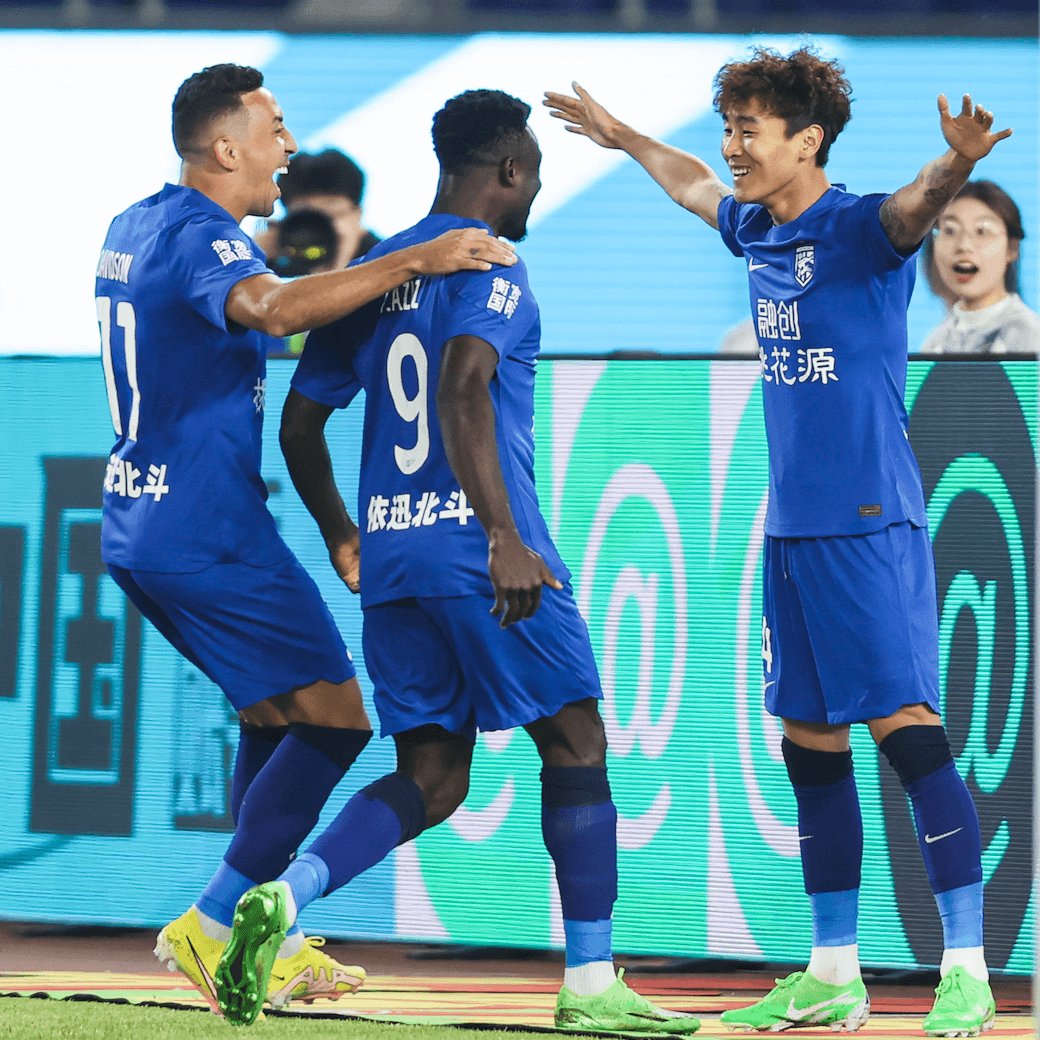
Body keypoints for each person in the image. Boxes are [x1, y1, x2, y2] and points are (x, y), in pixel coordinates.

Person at [212, 88, 703, 1036]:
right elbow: (465, 385)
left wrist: (343, 534)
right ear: (510, 169)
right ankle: (591, 984)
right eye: (536, 175)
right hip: (482, 553)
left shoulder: (375, 271)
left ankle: (286, 894)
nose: (534, 195)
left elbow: (301, 423)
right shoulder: (494, 267)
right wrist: (503, 535)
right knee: (576, 742)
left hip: (394, 558)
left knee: (435, 775)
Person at [545, 47, 1011, 1038]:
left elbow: (915, 205)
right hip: (791, 533)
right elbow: (691, 185)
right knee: (808, 742)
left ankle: (966, 969)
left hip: (868, 526)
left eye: (749, 129)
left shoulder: (861, 228)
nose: (732, 146)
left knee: (908, 733)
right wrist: (621, 136)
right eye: (729, 127)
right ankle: (832, 972)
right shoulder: (754, 226)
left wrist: (957, 164)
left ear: (808, 140)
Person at [95, 62, 516, 1016]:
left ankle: (267, 946)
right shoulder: (205, 236)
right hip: (208, 526)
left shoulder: (134, 224)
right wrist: (412, 260)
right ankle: (213, 921)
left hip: (136, 520)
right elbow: (274, 309)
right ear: (225, 147)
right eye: (275, 127)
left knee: (273, 720)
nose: (289, 146)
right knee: (336, 720)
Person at [919, 179, 1039, 354]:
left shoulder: (1031, 337)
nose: (963, 246)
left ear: (1012, 248)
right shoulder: (935, 342)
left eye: (982, 231)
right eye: (950, 230)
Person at [256, 149, 381, 270]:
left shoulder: (386, 260)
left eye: (330, 216)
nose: (318, 227)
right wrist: (253, 257)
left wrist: (341, 268)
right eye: (307, 219)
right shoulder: (277, 259)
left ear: (357, 215)